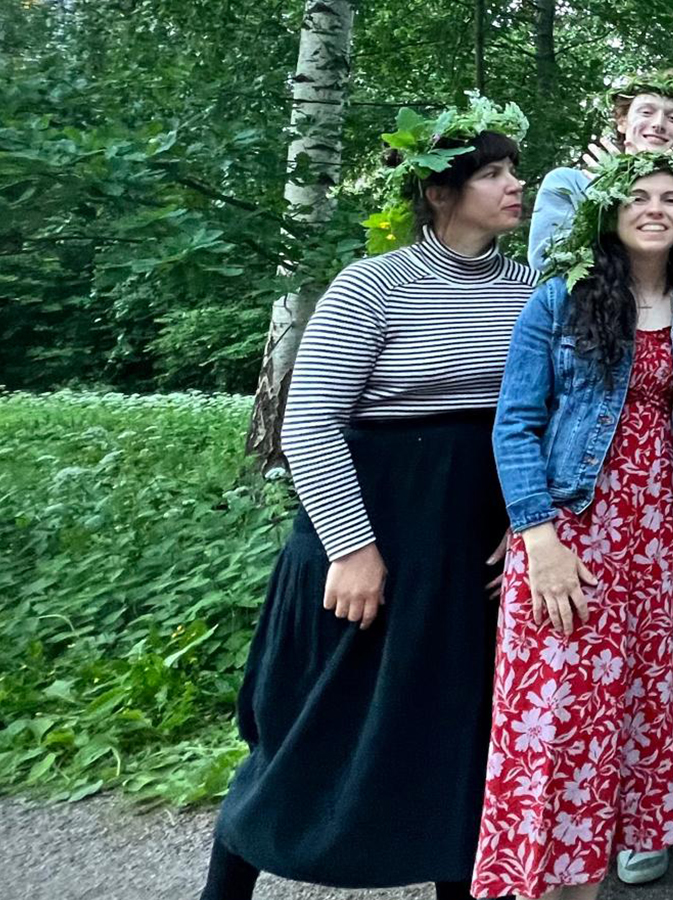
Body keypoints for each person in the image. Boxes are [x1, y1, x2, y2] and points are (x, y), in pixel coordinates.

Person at [199, 96, 534, 900]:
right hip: (370, 526)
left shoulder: (528, 289)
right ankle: (225, 887)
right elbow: (309, 422)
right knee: (315, 721)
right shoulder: (372, 286)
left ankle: (460, 882)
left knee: (458, 725)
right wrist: (352, 550)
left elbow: (544, 416)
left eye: (513, 169)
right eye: (493, 173)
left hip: (469, 541)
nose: (516, 185)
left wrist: (528, 522)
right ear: (440, 193)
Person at [470, 150, 673, 900]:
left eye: (670, 198)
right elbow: (513, 425)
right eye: (638, 196)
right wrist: (537, 539)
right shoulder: (561, 298)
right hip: (573, 537)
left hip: (656, 543)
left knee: (626, 732)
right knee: (558, 728)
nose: (655, 209)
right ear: (609, 213)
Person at [525, 70, 673, 302]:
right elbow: (548, 261)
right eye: (646, 112)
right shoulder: (568, 183)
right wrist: (609, 193)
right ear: (622, 121)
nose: (658, 124)